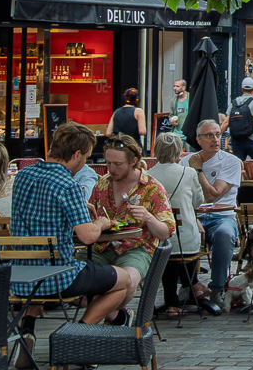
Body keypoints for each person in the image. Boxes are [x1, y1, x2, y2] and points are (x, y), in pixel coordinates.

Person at [8, 124, 139, 366]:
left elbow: (42, 210)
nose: (85, 163)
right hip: (58, 276)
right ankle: (77, 337)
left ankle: (27, 330)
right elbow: (88, 237)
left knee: (39, 262)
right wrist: (100, 222)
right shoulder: (67, 184)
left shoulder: (24, 175)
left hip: (20, 275)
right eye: (86, 157)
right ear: (77, 154)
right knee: (125, 280)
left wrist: (78, 207)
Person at [89, 136, 175, 319]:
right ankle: (117, 318)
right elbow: (90, 217)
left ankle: (99, 322)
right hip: (101, 247)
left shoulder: (152, 187)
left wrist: (149, 218)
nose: (111, 169)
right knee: (73, 280)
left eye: (117, 164)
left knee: (126, 282)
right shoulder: (102, 183)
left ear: (133, 161)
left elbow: (166, 232)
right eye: (108, 163)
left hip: (136, 248)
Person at [187, 116, 242, 315]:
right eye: (209, 135)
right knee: (178, 232)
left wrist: (198, 170)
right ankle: (189, 285)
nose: (215, 139)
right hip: (194, 216)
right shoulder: (185, 161)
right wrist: (193, 219)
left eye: (218, 134)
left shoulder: (231, 161)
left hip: (223, 216)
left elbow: (213, 195)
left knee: (224, 234)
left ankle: (217, 288)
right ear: (198, 139)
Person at [146, 132, 204, 319]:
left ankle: (172, 302)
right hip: (186, 239)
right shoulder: (188, 173)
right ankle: (193, 286)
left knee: (168, 256)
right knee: (188, 246)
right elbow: (198, 202)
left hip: (158, 239)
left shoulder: (147, 176)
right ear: (179, 151)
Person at [228, 76, 253, 159]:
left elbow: (226, 122)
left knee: (238, 165)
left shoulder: (234, 103)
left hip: (237, 140)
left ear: (242, 88)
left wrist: (219, 138)